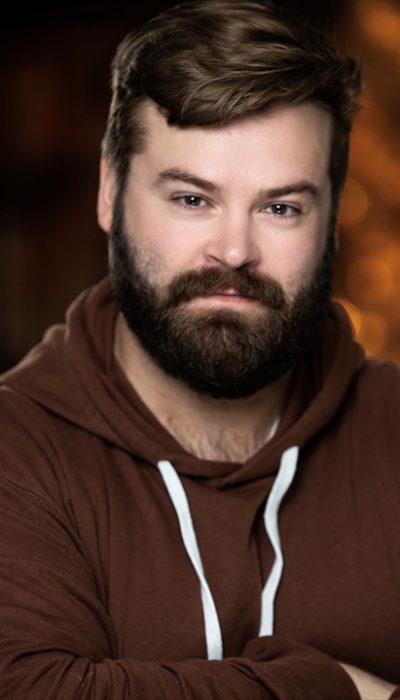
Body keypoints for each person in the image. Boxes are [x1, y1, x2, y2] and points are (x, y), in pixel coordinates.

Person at [0, 0, 399, 698]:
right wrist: (331, 686)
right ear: (110, 192)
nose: (235, 251)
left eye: (281, 208)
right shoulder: (17, 446)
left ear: (332, 220)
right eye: (192, 199)